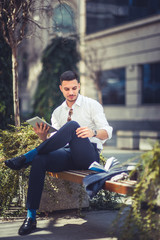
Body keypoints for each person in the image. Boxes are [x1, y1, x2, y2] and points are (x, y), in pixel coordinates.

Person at [5, 70, 113, 235]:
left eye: (74, 88)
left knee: (72, 126)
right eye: (67, 89)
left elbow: (107, 131)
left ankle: (26, 157)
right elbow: (55, 143)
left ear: (79, 86)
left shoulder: (92, 105)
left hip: (88, 156)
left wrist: (93, 133)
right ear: (61, 88)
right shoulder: (57, 112)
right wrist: (43, 137)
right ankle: (31, 217)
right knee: (40, 159)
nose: (71, 92)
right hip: (67, 155)